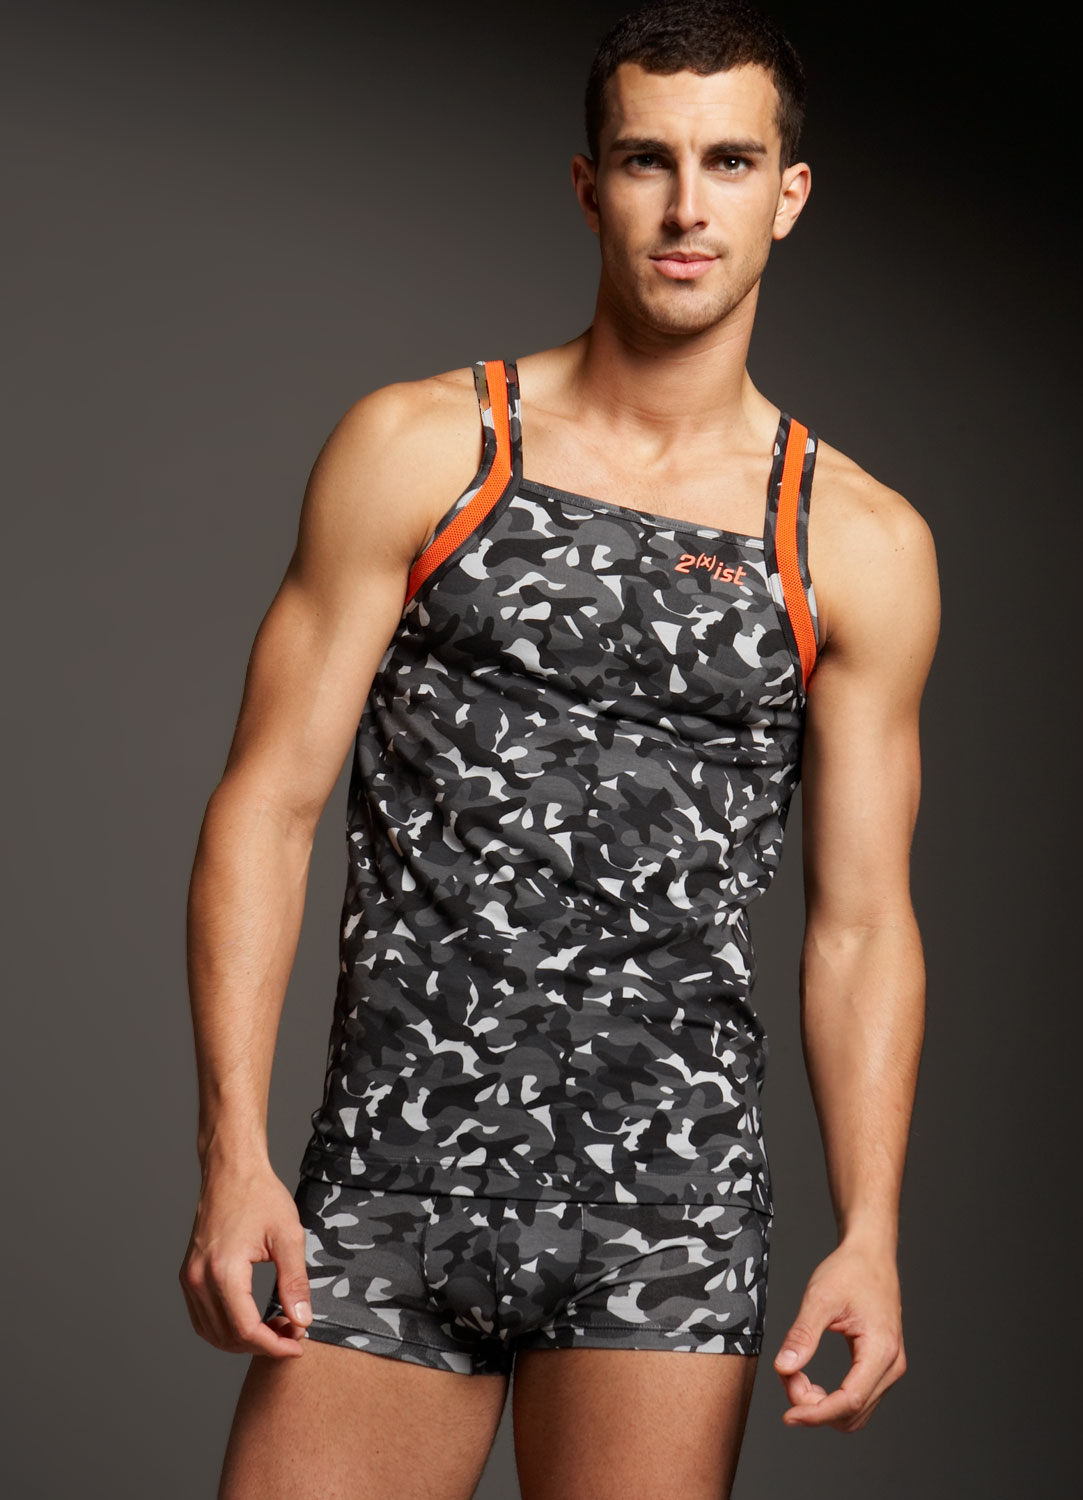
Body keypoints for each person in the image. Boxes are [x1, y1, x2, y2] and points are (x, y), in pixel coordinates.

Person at [180, 2, 940, 1495]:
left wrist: (873, 1234)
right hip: (392, 1178)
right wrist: (231, 1151)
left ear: (788, 194)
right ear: (592, 186)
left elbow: (862, 923)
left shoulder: (857, 542)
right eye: (649, 160)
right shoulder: (423, 450)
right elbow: (266, 807)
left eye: (731, 162)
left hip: (669, 1209)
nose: (688, 205)